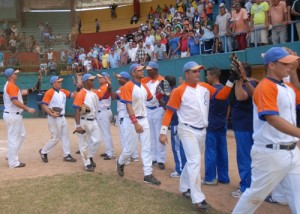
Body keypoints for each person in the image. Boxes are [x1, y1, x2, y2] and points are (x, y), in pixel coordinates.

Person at [159, 61, 235, 212]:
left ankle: (184, 187)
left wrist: (231, 79)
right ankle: (198, 198)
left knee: (192, 160)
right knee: (195, 161)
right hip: (186, 130)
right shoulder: (179, 91)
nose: (198, 73)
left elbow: (222, 95)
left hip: (202, 130)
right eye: (194, 71)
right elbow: (169, 112)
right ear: (186, 74)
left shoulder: (205, 87)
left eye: (199, 71)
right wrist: (162, 132)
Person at [232, 47, 300, 214]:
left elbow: (297, 86)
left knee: (297, 196)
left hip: (292, 151)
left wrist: (294, 68)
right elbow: (273, 119)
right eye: (285, 63)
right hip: (270, 152)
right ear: (271, 65)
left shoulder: (288, 88)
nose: (289, 66)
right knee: (254, 196)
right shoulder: (265, 87)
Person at [116, 63, 161, 186]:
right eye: (139, 70)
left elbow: (152, 99)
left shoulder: (144, 86)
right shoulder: (128, 86)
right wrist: (135, 123)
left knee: (146, 147)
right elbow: (128, 106)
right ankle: (120, 162)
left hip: (144, 119)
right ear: (133, 72)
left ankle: (148, 174)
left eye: (142, 69)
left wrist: (161, 93)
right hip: (131, 121)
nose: (142, 71)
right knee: (130, 150)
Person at [230, 62, 257, 198]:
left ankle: (246, 187)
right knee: (251, 157)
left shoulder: (248, 84)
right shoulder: (254, 83)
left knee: (245, 157)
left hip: (244, 126)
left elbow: (241, 97)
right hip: (248, 125)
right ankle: (251, 185)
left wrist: (239, 80)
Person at [72, 73, 106, 172]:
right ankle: (87, 163)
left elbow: (103, 92)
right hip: (83, 121)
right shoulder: (81, 93)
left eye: (93, 80)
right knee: (83, 144)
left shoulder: (94, 92)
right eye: (91, 80)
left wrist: (107, 83)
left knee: (98, 140)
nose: (93, 81)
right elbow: (77, 110)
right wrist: (78, 126)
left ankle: (89, 156)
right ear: (85, 82)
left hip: (93, 120)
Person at [39, 76, 77, 163]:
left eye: (61, 82)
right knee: (55, 138)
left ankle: (67, 155)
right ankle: (43, 151)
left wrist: (77, 87)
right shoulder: (49, 92)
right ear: (53, 83)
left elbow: (73, 95)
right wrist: (51, 113)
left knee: (65, 136)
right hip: (54, 118)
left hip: (62, 117)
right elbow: (44, 105)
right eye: (59, 82)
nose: (61, 83)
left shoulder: (63, 91)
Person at [3, 68, 36, 168]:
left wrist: (32, 90)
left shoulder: (11, 85)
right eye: (15, 74)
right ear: (10, 76)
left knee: (22, 135)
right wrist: (27, 108)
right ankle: (13, 163)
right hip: (13, 115)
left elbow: (20, 92)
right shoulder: (11, 86)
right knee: (13, 138)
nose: (16, 75)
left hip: (13, 115)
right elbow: (15, 101)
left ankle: (11, 155)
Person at [203, 67, 230, 185]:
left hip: (211, 123)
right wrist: (224, 120)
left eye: (208, 75)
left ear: (213, 76)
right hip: (222, 123)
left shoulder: (209, 90)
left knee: (210, 151)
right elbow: (228, 107)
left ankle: (210, 178)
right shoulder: (225, 89)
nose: (206, 77)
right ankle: (224, 177)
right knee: (222, 151)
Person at [156, 75, 187, 178]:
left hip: (176, 122)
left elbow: (166, 107)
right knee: (182, 147)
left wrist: (160, 96)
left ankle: (180, 170)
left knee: (177, 148)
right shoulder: (176, 90)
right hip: (181, 123)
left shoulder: (172, 93)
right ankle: (183, 168)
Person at [141, 62, 166, 169]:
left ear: (155, 70)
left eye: (150, 69)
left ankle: (161, 159)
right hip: (147, 109)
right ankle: (153, 158)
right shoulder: (144, 80)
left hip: (158, 109)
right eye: (147, 69)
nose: (147, 71)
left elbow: (167, 94)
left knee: (159, 134)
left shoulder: (163, 80)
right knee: (150, 135)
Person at [113, 71, 139, 163]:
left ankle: (126, 159)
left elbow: (113, 96)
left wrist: (109, 85)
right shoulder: (133, 87)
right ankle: (135, 156)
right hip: (132, 114)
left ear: (124, 79)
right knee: (132, 136)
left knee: (124, 137)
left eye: (120, 78)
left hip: (124, 115)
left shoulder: (124, 88)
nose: (118, 79)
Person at [96, 72, 115, 160]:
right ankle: (108, 151)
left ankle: (110, 153)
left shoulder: (105, 86)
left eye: (100, 77)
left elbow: (104, 96)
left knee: (105, 133)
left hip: (103, 112)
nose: (98, 79)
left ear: (105, 78)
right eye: (98, 78)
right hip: (105, 111)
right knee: (104, 133)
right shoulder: (104, 87)